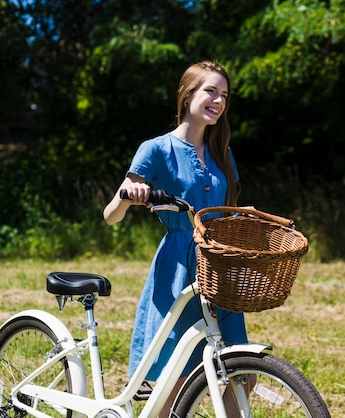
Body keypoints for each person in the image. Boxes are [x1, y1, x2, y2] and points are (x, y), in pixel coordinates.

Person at [103, 60, 248, 415]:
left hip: (218, 263)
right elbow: (110, 216)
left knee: (240, 368)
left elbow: (227, 210)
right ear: (188, 95)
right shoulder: (156, 149)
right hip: (179, 265)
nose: (218, 100)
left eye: (224, 95)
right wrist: (129, 194)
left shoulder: (222, 152)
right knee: (177, 373)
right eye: (210, 91)